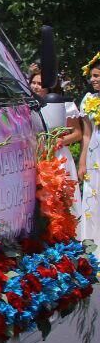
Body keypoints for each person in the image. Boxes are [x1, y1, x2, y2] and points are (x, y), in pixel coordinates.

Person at [79, 53, 100, 245]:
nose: (93, 79)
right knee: (93, 197)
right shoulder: (88, 100)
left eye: (97, 75)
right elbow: (86, 134)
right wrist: (82, 161)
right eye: (92, 76)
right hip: (95, 155)